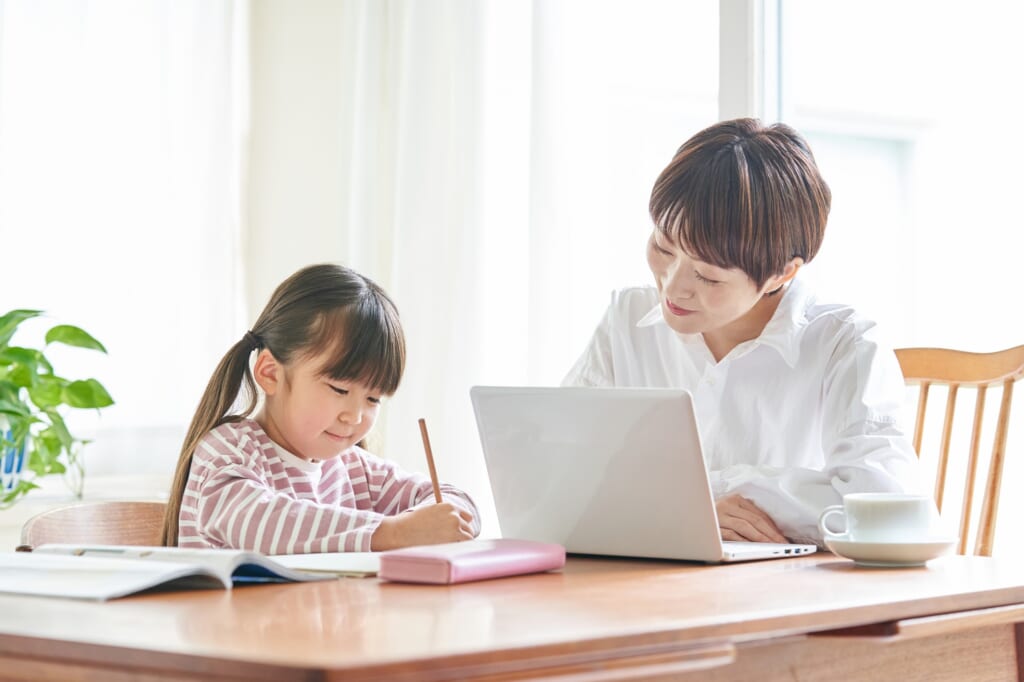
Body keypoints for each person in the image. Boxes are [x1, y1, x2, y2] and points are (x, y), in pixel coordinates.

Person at [563, 118, 922, 546]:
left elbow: (883, 506)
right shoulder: (628, 318)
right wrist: (689, 511)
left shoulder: (845, 345)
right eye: (663, 247)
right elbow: (564, 473)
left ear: (780, 274)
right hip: (646, 582)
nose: (673, 286)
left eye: (708, 277)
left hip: (790, 594)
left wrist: (696, 500)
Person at [160, 263, 480, 552]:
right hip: (232, 619)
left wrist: (435, 522)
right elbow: (255, 522)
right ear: (270, 373)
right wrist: (393, 533)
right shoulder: (228, 450)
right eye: (339, 389)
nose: (354, 416)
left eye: (373, 399)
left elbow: (458, 502)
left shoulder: (354, 469)